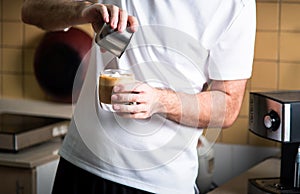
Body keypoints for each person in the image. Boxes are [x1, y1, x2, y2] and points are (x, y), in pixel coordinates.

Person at [22, 0, 256, 193]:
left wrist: (160, 101)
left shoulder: (236, 5)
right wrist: (82, 11)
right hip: (82, 167)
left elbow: (227, 106)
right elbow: (31, 10)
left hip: (159, 183)